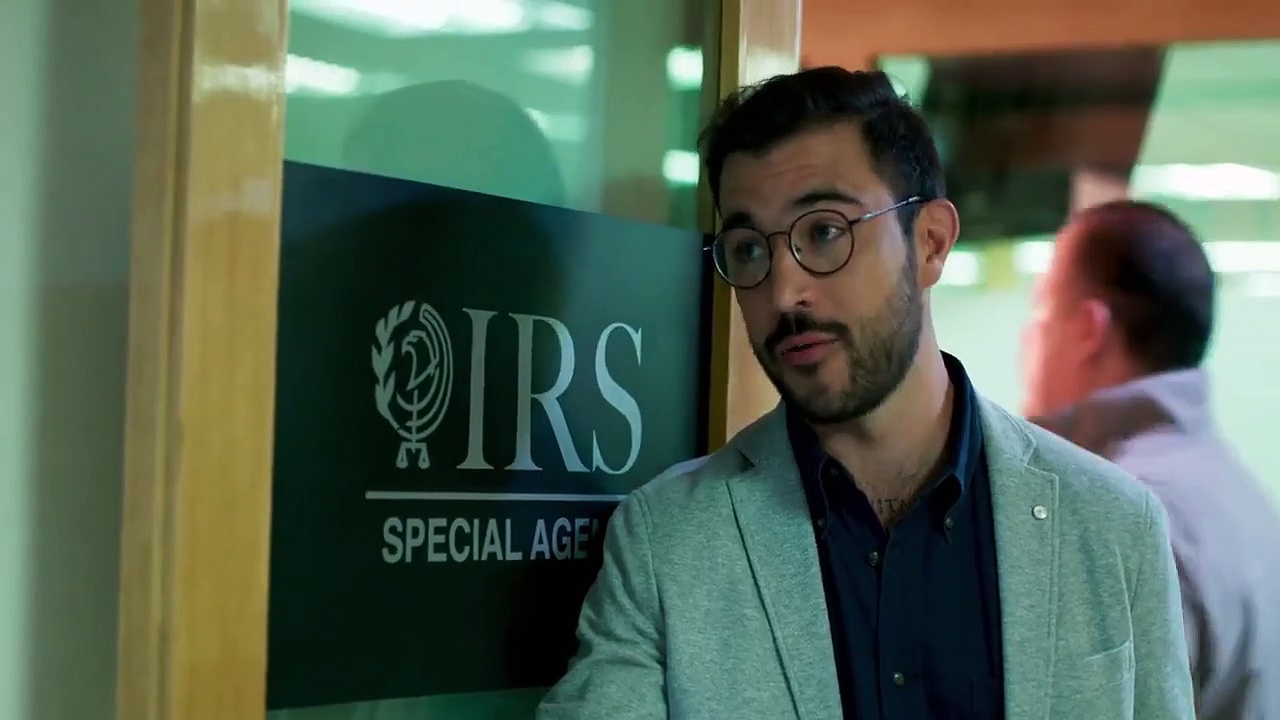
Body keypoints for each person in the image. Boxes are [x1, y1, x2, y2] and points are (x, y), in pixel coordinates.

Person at [537, 67, 1194, 720]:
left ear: (930, 243)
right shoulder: (668, 544)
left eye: (825, 232)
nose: (784, 292)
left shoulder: (1113, 527)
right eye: (749, 249)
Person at [1022, 199, 1280, 720]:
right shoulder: (1239, 495)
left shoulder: (1121, 520)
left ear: (1089, 329)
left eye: (1041, 315)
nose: (1026, 341)